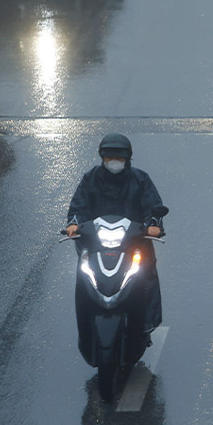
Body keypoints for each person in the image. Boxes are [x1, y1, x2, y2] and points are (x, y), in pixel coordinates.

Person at [65, 133, 166, 353]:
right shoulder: (90, 178)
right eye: (109, 156)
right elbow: (77, 207)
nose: (114, 161)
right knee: (84, 276)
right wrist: (74, 224)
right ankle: (86, 323)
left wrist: (153, 224)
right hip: (96, 243)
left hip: (133, 242)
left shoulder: (140, 179)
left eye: (119, 157)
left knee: (146, 272)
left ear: (128, 158)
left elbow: (153, 207)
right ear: (102, 157)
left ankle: (147, 322)